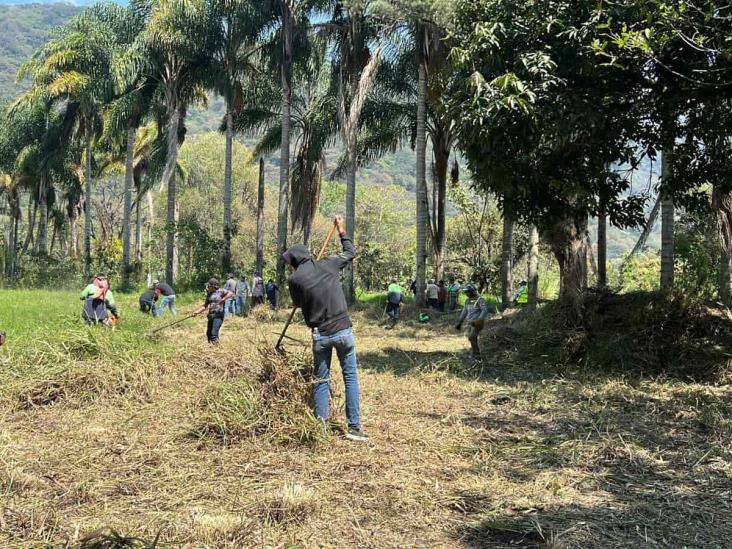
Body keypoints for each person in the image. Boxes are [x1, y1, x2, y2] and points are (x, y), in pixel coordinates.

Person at [282, 214, 368, 442]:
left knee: (321, 380)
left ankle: (320, 428)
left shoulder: (296, 281)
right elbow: (350, 253)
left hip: (320, 335)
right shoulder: (329, 264)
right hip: (343, 331)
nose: (289, 268)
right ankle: (354, 428)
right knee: (350, 377)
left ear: (294, 263)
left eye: (290, 264)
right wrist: (341, 230)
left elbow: (298, 304)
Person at [192, 278, 234, 344]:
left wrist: (223, 299)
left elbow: (231, 293)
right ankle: (210, 347)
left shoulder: (221, 291)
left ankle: (216, 347)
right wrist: (196, 312)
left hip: (218, 315)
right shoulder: (209, 294)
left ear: (213, 286)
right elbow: (205, 306)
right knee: (208, 333)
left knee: (214, 334)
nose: (208, 287)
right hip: (211, 315)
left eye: (209, 285)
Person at [455, 284, 489, 359]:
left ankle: (477, 355)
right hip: (470, 322)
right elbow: (464, 312)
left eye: (468, 292)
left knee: (472, 337)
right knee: (472, 338)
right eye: (466, 292)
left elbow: (484, 310)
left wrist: (479, 319)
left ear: (473, 291)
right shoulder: (467, 301)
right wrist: (460, 322)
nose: (467, 294)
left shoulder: (480, 300)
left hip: (477, 322)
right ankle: (475, 353)